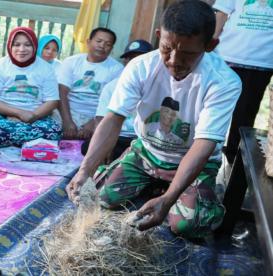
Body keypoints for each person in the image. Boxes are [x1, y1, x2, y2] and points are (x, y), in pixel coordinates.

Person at [67, 0, 242, 239]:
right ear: (159, 35)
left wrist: (169, 200)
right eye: (167, 48)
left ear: (210, 45)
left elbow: (204, 144)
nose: (174, 61)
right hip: (146, 154)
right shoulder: (140, 66)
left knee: (187, 226)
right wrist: (85, 170)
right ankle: (152, 182)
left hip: (194, 164)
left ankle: (178, 192)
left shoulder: (224, 81)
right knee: (101, 198)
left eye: (188, 54)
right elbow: (113, 119)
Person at [0, 27, 61, 147]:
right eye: (17, 45)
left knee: (53, 131)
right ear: (10, 46)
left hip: (35, 116)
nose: (21, 49)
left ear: (34, 46)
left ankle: (3, 140)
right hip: (1, 115)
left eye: (27, 45)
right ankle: (29, 142)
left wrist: (33, 115)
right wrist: (18, 113)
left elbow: (52, 101)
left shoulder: (46, 68)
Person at [213, 0, 273, 163]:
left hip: (262, 60)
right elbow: (222, 13)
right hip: (229, 55)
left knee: (245, 114)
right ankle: (208, 151)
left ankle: (233, 159)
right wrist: (209, 43)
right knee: (216, 106)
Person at [81, 39, 153, 159]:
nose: (136, 63)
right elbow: (100, 118)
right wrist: (103, 144)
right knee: (89, 147)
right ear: (125, 61)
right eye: (131, 59)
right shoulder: (112, 86)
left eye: (140, 58)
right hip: (116, 137)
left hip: (142, 140)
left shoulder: (157, 87)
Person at [56, 27, 123, 140]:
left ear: (111, 48)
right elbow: (62, 92)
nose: (102, 46)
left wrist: (94, 122)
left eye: (107, 44)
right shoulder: (71, 62)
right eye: (98, 41)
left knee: (107, 133)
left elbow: (114, 101)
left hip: (97, 115)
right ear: (88, 42)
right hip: (69, 111)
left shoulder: (117, 68)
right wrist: (67, 121)